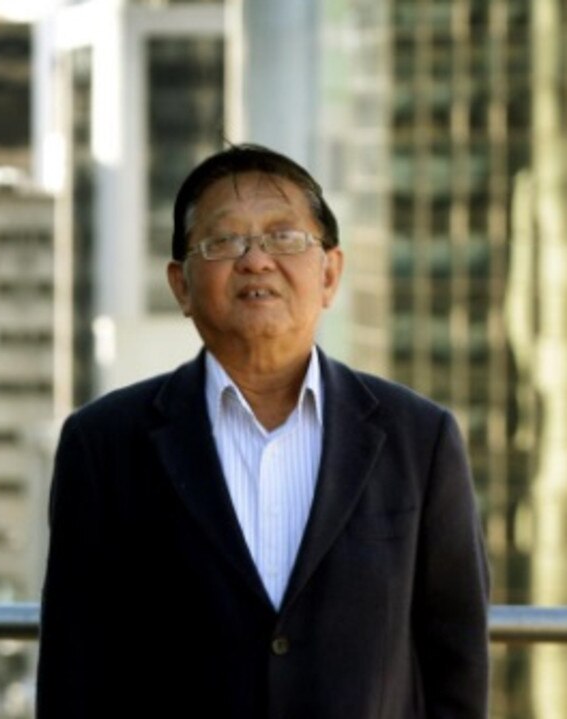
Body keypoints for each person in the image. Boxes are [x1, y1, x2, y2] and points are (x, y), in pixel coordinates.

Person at [36, 144, 489, 717]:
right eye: (224, 241)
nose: (256, 260)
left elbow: (457, 667)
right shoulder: (104, 446)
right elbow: (74, 678)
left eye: (284, 237)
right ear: (181, 285)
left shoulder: (420, 441)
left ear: (330, 272)